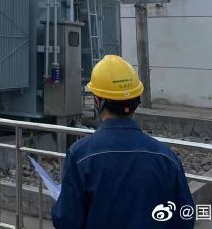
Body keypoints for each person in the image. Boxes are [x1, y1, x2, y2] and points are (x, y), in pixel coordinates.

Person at [52, 54, 194, 229]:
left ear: (97, 101)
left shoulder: (80, 155)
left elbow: (67, 220)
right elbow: (186, 217)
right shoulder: (166, 157)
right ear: (137, 100)